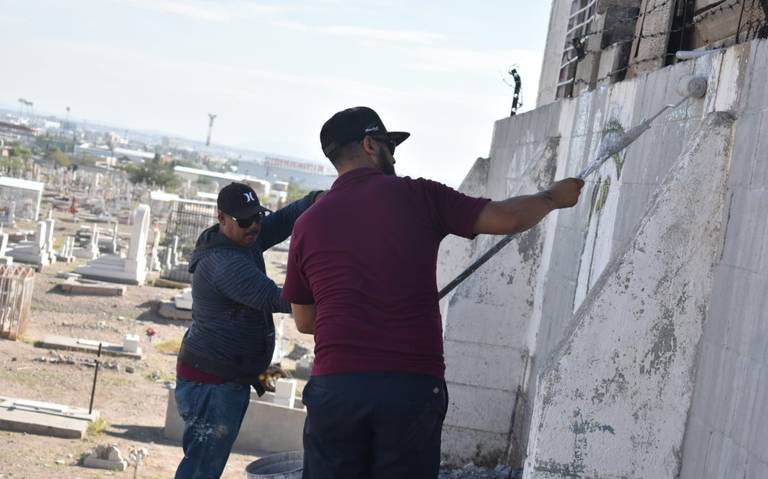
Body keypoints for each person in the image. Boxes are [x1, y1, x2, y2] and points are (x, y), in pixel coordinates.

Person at [282, 106, 584, 479]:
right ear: (369, 143)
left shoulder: (307, 223)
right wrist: (553, 196)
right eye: (389, 145)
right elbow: (508, 218)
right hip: (408, 387)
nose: (395, 155)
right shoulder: (418, 195)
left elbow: (305, 321)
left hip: (336, 389)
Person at [174, 182, 322, 479]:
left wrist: (318, 199)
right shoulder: (223, 263)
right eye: (245, 220)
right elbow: (281, 299)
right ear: (222, 218)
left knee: (205, 464)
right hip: (212, 383)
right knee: (201, 468)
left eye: (257, 216)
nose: (254, 225)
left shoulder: (241, 237)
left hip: (228, 376)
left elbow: (281, 222)